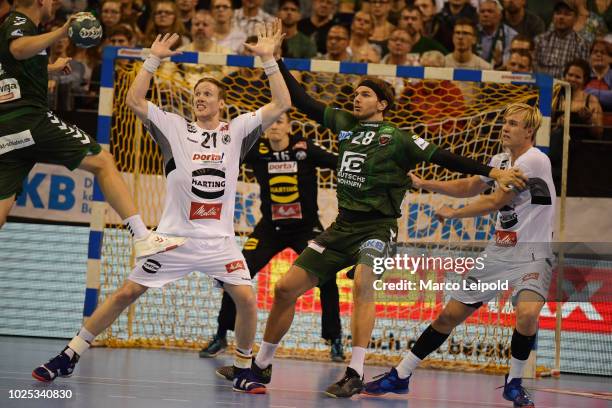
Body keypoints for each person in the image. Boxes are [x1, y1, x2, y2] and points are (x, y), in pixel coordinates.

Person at [235, 55, 527, 398]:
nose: (356, 98)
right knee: (285, 289)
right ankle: (262, 364)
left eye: (365, 95)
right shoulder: (345, 124)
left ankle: (354, 371)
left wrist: (493, 172)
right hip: (342, 227)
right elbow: (301, 100)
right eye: (356, 94)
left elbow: (444, 157)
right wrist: (274, 59)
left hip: (378, 228)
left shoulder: (399, 138)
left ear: (382, 104)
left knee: (362, 283)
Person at [32, 20, 291, 395]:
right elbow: (135, 101)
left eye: (207, 94)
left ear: (222, 103)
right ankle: (70, 354)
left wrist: (268, 60)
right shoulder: (174, 127)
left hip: (219, 241)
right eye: (196, 93)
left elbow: (282, 103)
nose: (200, 98)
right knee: (125, 293)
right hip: (172, 238)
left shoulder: (236, 131)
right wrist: (152, 60)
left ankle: (242, 367)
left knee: (247, 299)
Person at [364, 103, 555, 408]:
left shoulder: (534, 160)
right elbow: (470, 185)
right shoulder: (500, 161)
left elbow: (495, 201)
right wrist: (426, 183)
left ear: (529, 131)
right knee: (448, 316)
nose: (506, 127)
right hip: (499, 253)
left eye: (514, 124)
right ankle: (401, 374)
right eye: (505, 122)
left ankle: (514, 383)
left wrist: (453, 214)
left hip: (534, 253)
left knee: (528, 313)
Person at [0, 1, 183, 256]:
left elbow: (10, 66)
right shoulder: (20, 23)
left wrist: (49, 69)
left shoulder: (14, 25)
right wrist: (62, 31)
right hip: (30, 120)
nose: (55, 3)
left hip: (7, 131)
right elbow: (18, 49)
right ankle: (143, 237)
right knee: (104, 161)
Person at [200, 111, 345, 364]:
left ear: (289, 126)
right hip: (270, 228)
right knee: (236, 273)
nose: (275, 126)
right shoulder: (257, 150)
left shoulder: (305, 148)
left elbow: (338, 162)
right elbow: (224, 158)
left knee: (327, 275)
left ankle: (335, 340)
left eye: (280, 121)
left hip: (305, 228)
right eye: (271, 122)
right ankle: (222, 335)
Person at [533, 0, 589, 79]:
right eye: (558, 13)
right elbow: (534, 67)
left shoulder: (581, 44)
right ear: (553, 16)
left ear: (575, 18)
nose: (561, 17)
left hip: (568, 88)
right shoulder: (540, 40)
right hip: (543, 86)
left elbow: (583, 74)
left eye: (567, 14)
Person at [557, 58, 604, 139]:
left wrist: (589, 120)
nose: (572, 79)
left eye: (577, 77)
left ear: (584, 80)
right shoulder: (555, 97)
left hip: (582, 147)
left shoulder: (591, 100)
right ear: (565, 75)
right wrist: (556, 124)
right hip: (557, 145)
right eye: (570, 75)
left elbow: (599, 133)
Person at [477, 0, 517, 69]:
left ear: (500, 15)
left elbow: (509, 64)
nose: (485, 14)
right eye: (482, 11)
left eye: (490, 11)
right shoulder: (471, 32)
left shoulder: (511, 36)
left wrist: (500, 61)